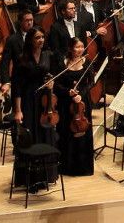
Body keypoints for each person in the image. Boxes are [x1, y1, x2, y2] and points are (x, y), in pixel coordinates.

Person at [11, 27, 59, 188]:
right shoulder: (22, 59)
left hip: (44, 101)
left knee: (46, 134)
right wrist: (17, 110)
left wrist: (51, 82)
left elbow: (51, 75)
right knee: (30, 137)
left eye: (42, 37)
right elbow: (16, 87)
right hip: (28, 100)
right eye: (37, 38)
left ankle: (45, 176)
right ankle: (29, 179)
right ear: (31, 40)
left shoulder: (48, 55)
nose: (41, 40)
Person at [52, 37, 95, 176]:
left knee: (83, 132)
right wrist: (68, 92)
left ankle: (83, 167)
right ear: (70, 48)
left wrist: (80, 95)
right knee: (67, 132)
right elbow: (57, 84)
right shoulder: (63, 63)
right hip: (66, 103)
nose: (80, 49)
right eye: (77, 47)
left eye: (82, 47)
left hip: (82, 103)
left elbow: (91, 82)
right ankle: (67, 166)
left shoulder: (87, 62)